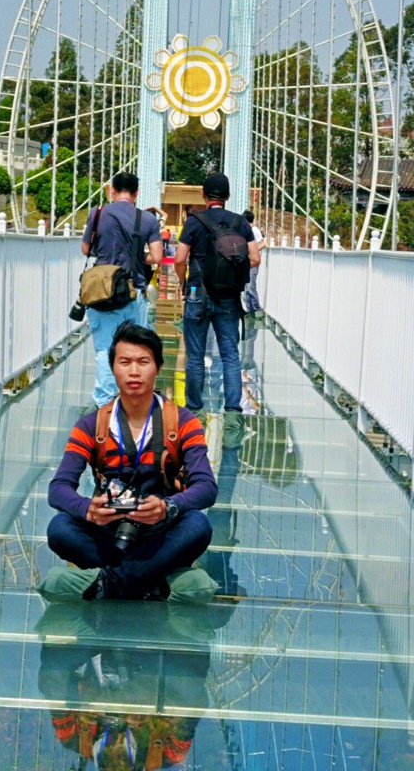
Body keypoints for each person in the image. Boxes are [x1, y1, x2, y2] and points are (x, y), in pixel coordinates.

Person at [47, 323, 216, 600]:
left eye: (143, 362)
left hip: (160, 531)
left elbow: (206, 487)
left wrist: (168, 507)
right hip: (108, 529)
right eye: (125, 362)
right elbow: (58, 489)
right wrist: (88, 510)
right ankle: (151, 579)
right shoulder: (92, 426)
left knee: (197, 525)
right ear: (113, 368)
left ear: (158, 368)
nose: (134, 371)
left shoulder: (183, 422)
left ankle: (108, 582)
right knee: (60, 528)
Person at [174, 174, 261, 413]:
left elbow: (180, 259)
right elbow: (255, 258)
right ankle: (233, 409)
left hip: (197, 294)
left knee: (195, 355)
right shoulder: (240, 223)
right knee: (230, 355)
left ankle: (193, 408)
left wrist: (183, 282)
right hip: (229, 297)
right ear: (228, 196)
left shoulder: (194, 222)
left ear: (203, 195)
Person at [80, 172, 164, 407]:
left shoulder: (97, 213)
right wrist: (138, 256)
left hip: (101, 291)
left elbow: (86, 248)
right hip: (133, 292)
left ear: (112, 191)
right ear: (136, 193)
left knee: (106, 349)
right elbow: (156, 256)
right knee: (136, 351)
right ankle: (134, 401)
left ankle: (105, 405)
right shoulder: (147, 220)